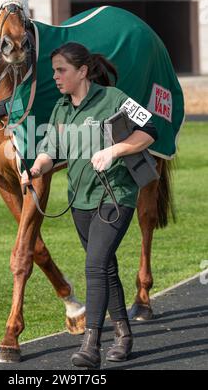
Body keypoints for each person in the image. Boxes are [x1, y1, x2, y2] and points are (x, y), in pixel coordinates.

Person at [21, 42, 158, 369]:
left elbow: (150, 130)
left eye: (61, 70)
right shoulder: (61, 109)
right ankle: (124, 335)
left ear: (82, 71)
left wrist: (115, 151)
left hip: (116, 197)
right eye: (53, 70)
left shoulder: (114, 99)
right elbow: (49, 149)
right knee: (104, 267)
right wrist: (36, 169)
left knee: (95, 265)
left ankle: (91, 343)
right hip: (79, 201)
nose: (55, 77)